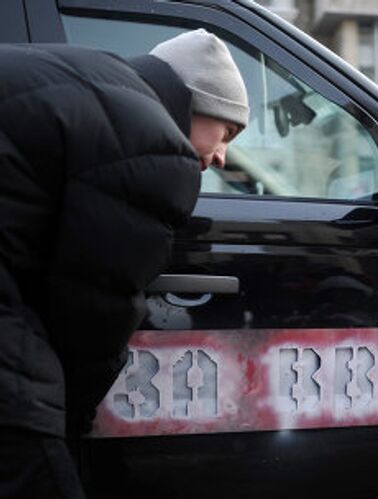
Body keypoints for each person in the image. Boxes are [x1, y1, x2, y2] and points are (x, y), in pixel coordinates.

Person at [0, 29, 248, 498]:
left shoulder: (94, 80)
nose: (220, 156)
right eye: (227, 132)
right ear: (195, 103)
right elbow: (92, 313)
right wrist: (69, 424)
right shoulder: (153, 143)